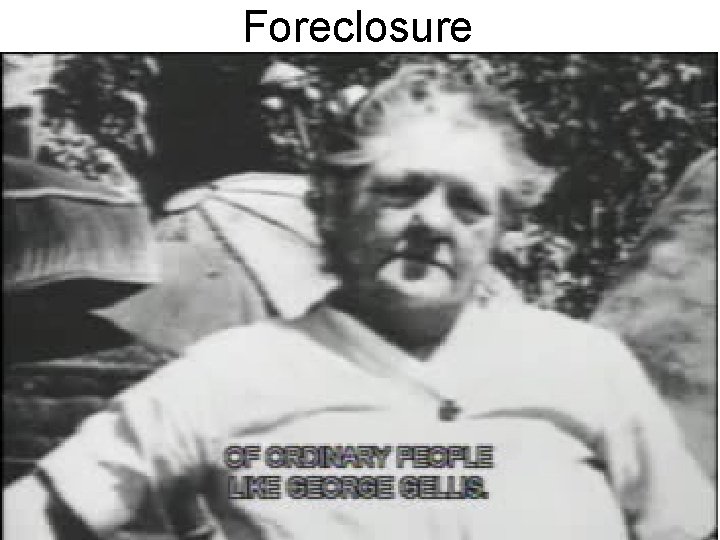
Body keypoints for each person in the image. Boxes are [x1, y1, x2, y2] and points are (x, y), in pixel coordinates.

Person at [4, 63, 715, 540]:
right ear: (333, 206)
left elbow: (681, 525)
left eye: (467, 204)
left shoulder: (583, 366)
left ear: (502, 229)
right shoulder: (228, 376)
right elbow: (47, 508)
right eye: (400, 191)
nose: (431, 222)